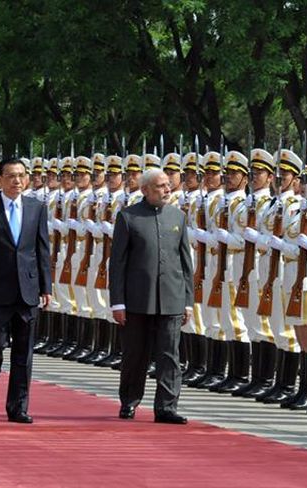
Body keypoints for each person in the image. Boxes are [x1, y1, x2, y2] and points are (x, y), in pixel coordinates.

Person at [0, 157, 52, 424]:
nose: (17, 181)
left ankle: (18, 407)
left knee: (24, 353)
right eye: (11, 176)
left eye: (21, 175)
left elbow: (42, 249)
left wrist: (46, 286)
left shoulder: (36, 207)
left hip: (27, 290)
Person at [109, 168, 193, 424]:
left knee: (169, 355)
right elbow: (118, 264)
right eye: (160, 186)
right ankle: (129, 401)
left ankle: (166, 407)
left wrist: (188, 301)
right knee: (135, 354)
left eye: (168, 185)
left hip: (171, 297)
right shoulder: (128, 217)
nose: (167, 190)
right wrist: (118, 301)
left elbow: (185, 262)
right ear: (145, 190)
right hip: (137, 298)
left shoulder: (177, 216)